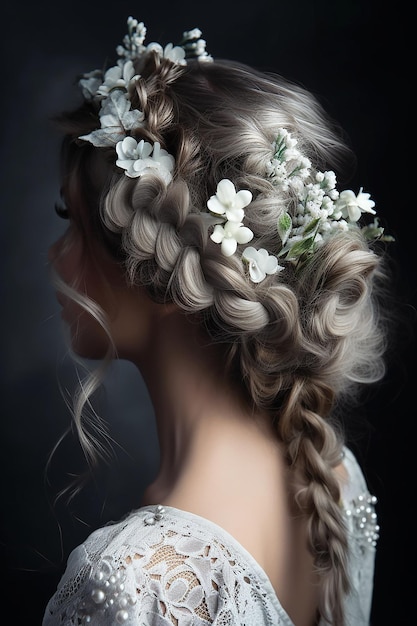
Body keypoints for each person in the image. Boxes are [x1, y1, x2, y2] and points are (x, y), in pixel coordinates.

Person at [43, 15, 393, 626]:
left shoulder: (137, 582)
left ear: (157, 267)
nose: (56, 256)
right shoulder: (335, 483)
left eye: (72, 222)